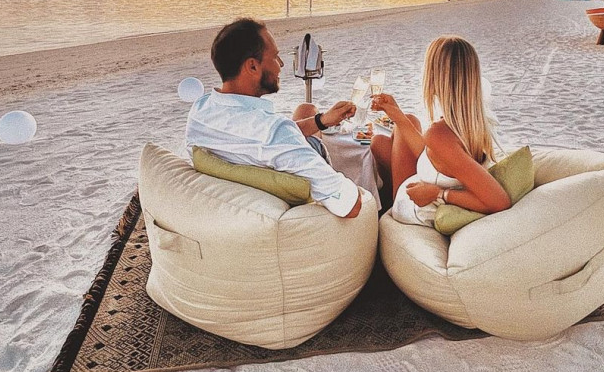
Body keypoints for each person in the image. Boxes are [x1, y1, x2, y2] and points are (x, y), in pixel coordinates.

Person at [185, 18, 363, 218]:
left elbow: (258, 139)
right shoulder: (274, 132)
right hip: (302, 210)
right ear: (253, 67)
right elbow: (351, 206)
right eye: (275, 57)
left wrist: (321, 121)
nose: (281, 64)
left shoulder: (200, 111)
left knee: (306, 110)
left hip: (249, 189)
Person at [370, 35, 510, 227]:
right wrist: (396, 114)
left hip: (413, 208)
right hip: (426, 184)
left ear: (435, 77)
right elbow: (439, 156)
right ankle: (383, 201)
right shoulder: (474, 122)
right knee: (382, 140)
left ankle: (383, 210)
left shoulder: (439, 134)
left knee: (381, 142)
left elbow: (500, 201)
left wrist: (439, 194)